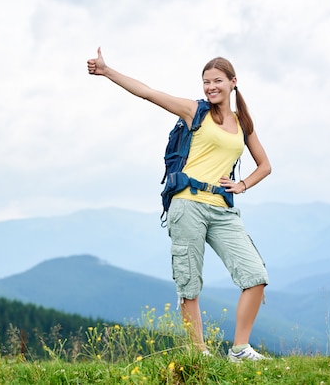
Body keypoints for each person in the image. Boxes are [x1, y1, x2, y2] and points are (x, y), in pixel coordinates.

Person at [86, 48, 272, 362]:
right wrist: (107, 71)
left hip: (223, 209)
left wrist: (241, 185)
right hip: (187, 204)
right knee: (189, 283)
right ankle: (199, 354)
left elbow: (264, 165)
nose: (211, 87)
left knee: (255, 276)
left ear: (233, 82)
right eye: (206, 82)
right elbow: (147, 93)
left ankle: (240, 350)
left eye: (217, 81)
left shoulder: (243, 123)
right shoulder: (194, 111)